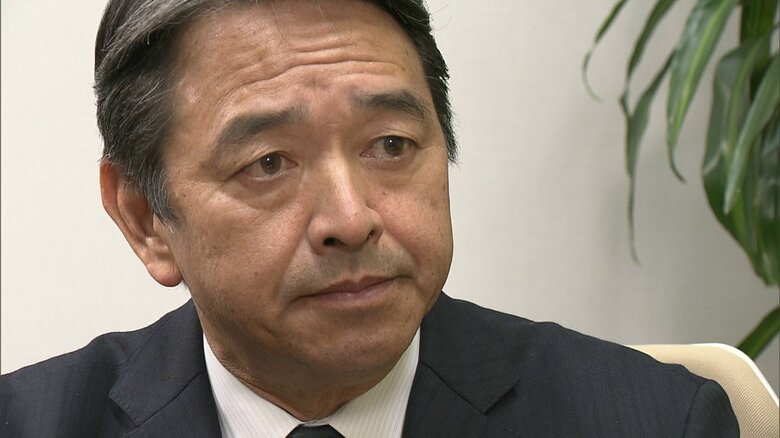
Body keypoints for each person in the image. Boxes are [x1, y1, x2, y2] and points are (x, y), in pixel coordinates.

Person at [0, 0, 738, 436]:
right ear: (144, 219)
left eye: (390, 145)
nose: (351, 220)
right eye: (269, 162)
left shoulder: (653, 420)